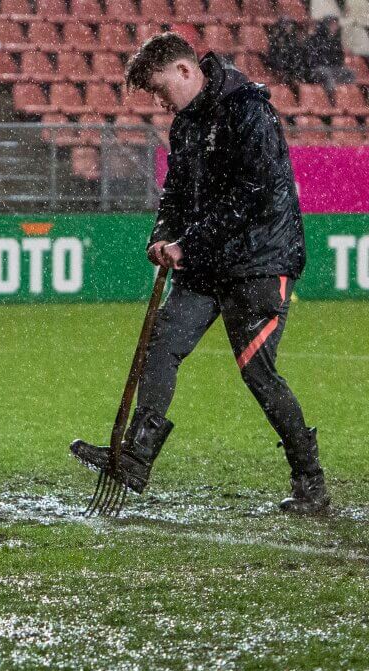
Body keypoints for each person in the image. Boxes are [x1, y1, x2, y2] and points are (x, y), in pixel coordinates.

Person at [70, 32, 329, 514]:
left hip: (260, 260)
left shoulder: (248, 108)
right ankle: (135, 459)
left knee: (258, 373)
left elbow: (253, 194)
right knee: (162, 342)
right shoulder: (186, 124)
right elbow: (176, 192)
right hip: (208, 261)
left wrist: (188, 244)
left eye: (161, 90)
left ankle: (310, 481)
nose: (160, 102)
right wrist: (161, 235)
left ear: (187, 71)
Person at [306, 15, 355, 92]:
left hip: (332, 68)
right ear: (326, 25)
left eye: (335, 25)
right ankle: (332, 95)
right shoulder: (316, 38)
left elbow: (339, 58)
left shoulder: (336, 40)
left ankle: (348, 94)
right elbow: (313, 58)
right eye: (332, 25)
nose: (334, 27)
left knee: (350, 73)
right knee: (326, 73)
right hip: (318, 68)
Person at [265, 17, 309, 83]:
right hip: (281, 67)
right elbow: (274, 58)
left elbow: (299, 57)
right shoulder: (277, 40)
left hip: (292, 67)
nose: (289, 27)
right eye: (287, 25)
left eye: (291, 25)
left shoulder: (293, 40)